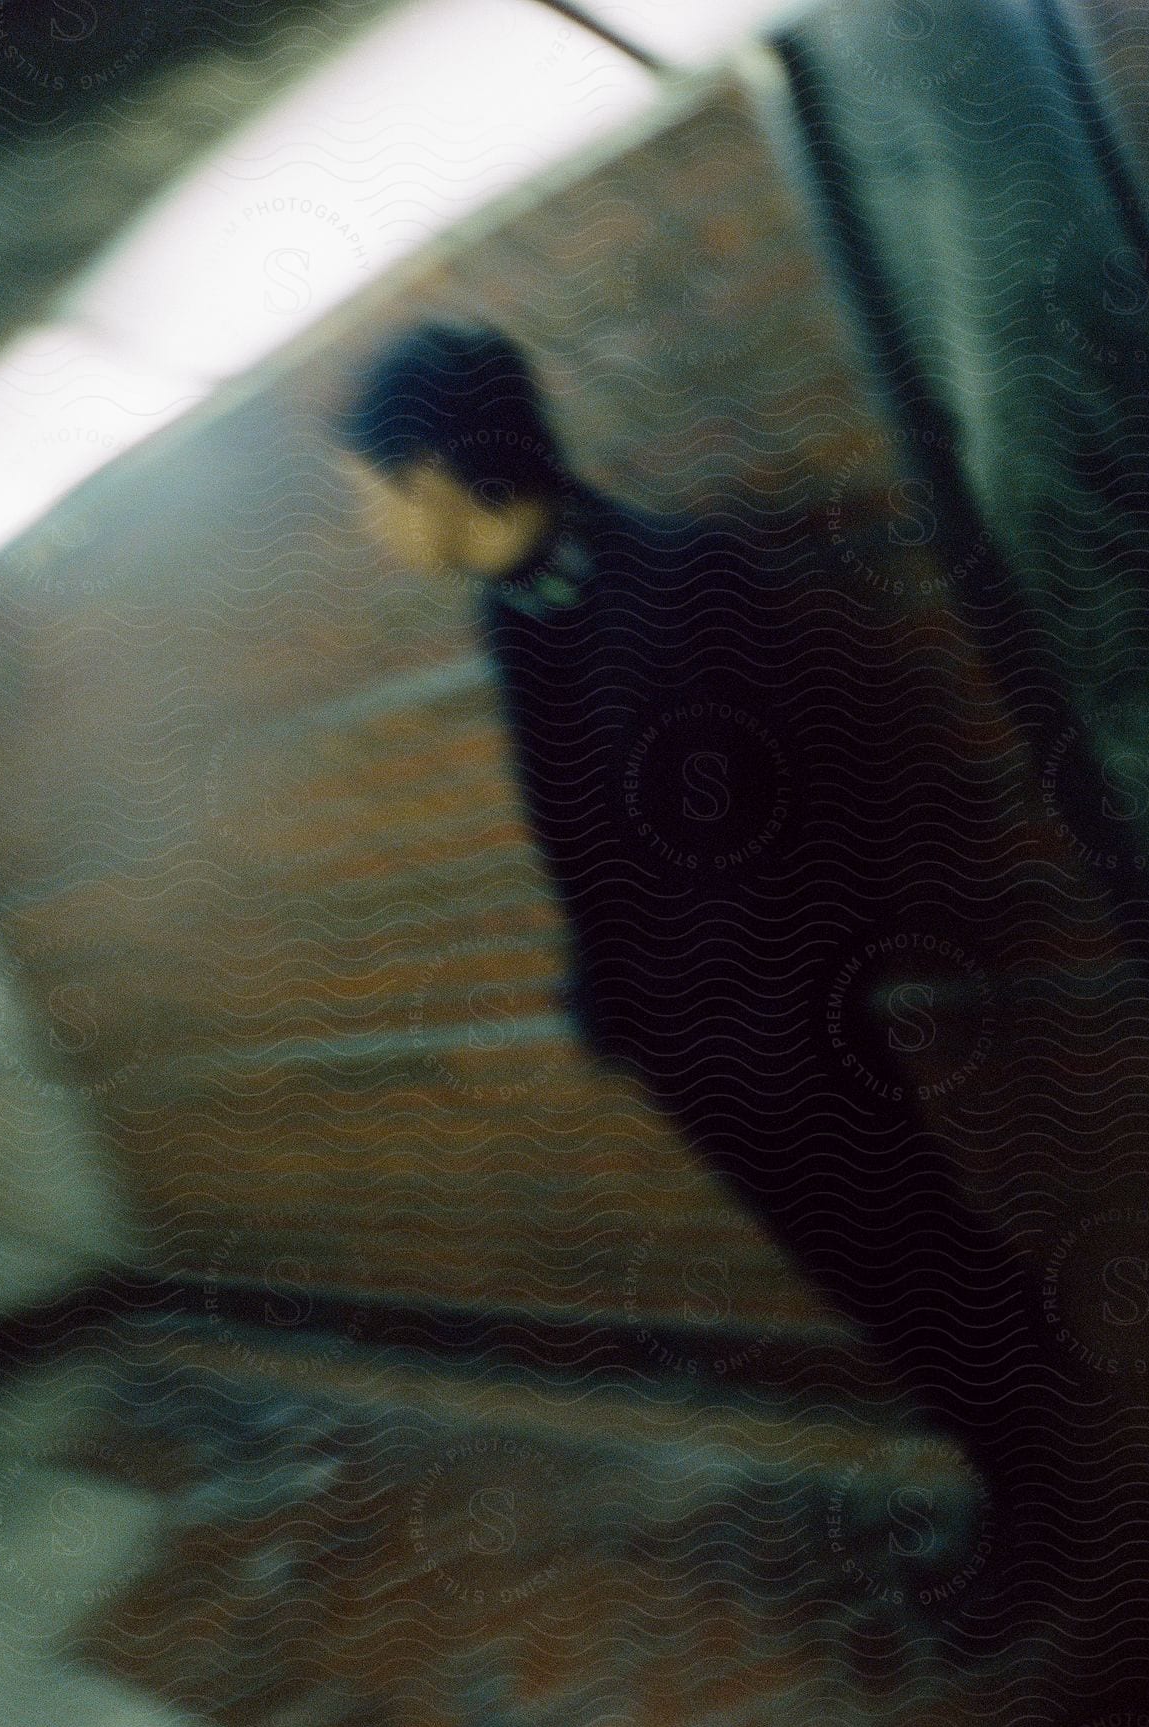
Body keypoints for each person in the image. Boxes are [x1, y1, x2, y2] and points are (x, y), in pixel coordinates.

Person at [337, 319, 1058, 1641]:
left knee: (910, 1259)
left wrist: (786, 1010)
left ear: (435, 472)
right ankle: (1029, 1446)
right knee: (871, 1275)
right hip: (696, 1048)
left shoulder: (681, 582)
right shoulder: (516, 615)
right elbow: (586, 839)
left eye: (366, 488)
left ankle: (1050, 1494)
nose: (367, 521)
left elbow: (831, 799)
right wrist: (628, 1011)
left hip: (786, 1035)